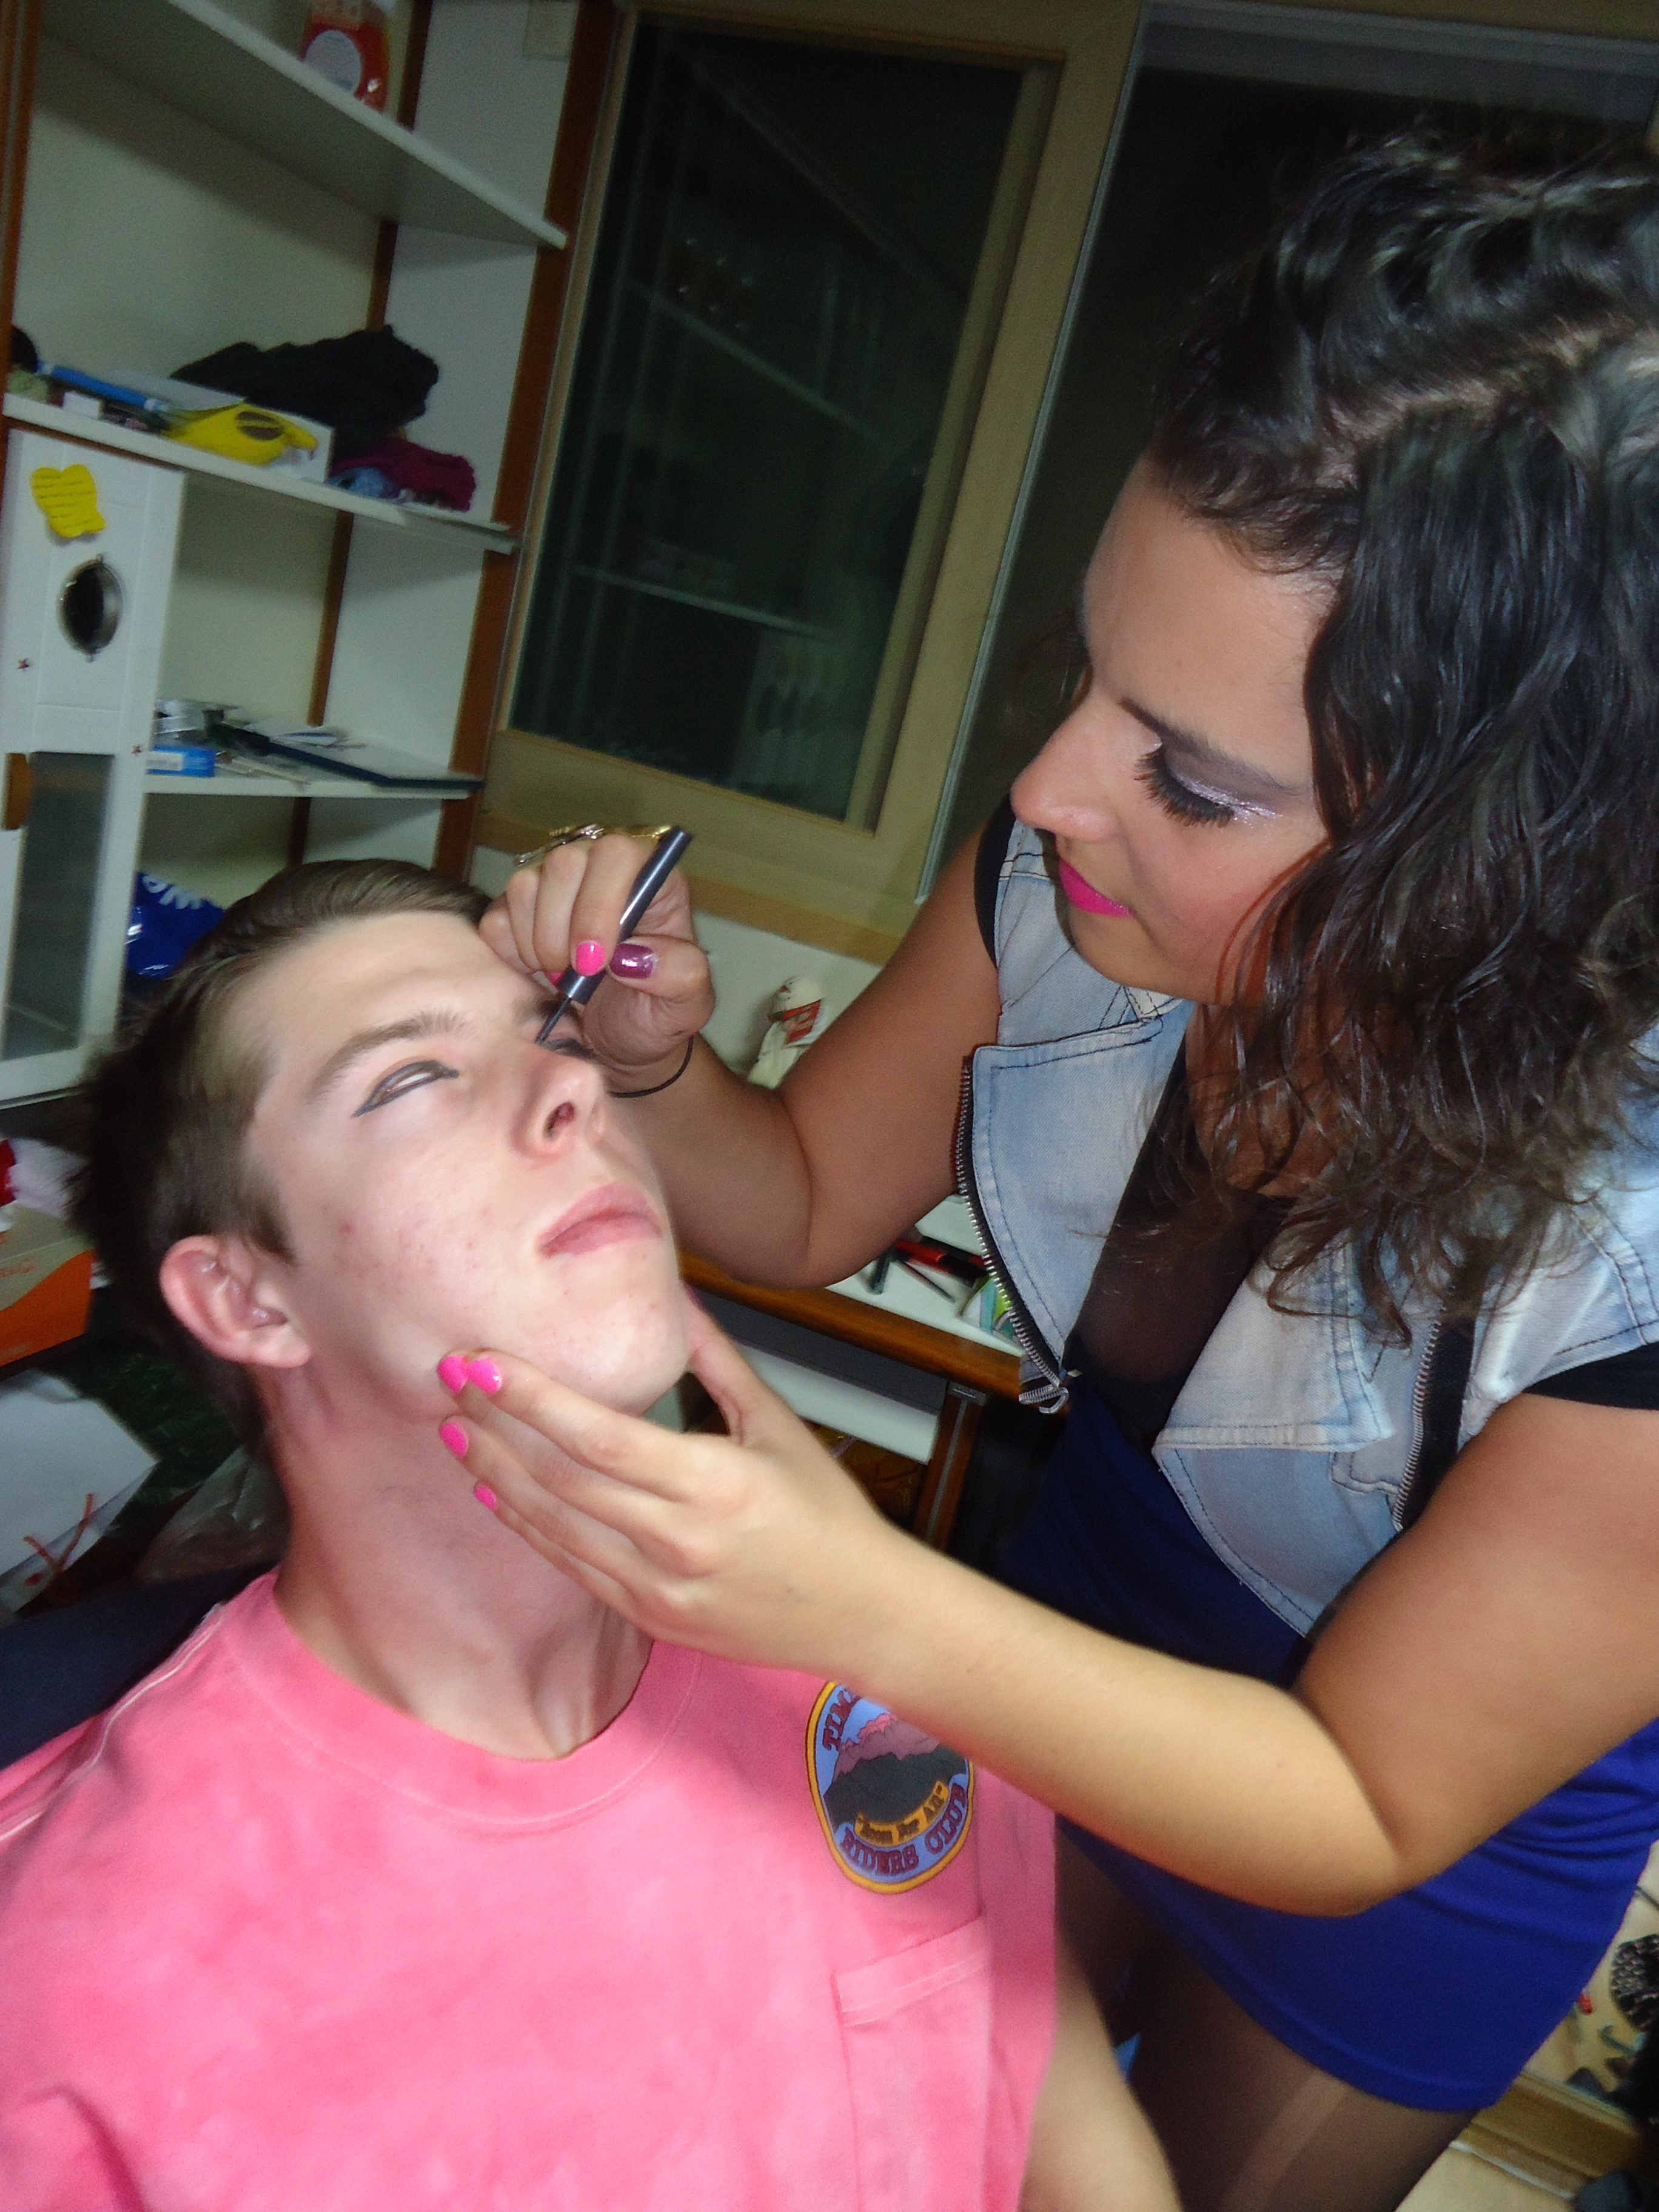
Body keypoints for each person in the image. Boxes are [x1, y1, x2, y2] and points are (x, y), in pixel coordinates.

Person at [457, 135, 1659, 2211]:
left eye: (1186, 774)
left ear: (1497, 863)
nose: (1041, 787)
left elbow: (1362, 1795)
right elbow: (802, 1197)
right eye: (1088, 675)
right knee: (885, 2108)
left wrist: (851, 1593)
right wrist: (649, 1067)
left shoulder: (1632, 1258)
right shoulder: (1065, 873)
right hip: (1077, 1615)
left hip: (1404, 1833)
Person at [0, 860, 1175, 2212]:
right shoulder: (83, 1994)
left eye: (554, 1034)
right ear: (250, 1301)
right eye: (411, 1079)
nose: (574, 1086)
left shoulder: (862, 1661)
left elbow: (1052, 2118)